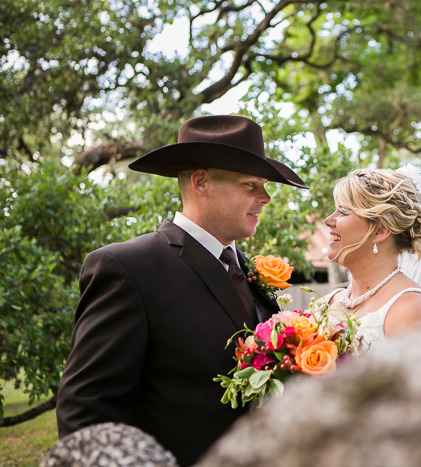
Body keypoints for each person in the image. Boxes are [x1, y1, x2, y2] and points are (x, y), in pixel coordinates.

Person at [56, 115, 308, 466]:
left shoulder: (250, 271)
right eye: (251, 185)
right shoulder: (129, 268)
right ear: (201, 182)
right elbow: (86, 414)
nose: (265, 198)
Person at [324, 166, 421, 345]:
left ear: (380, 230)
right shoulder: (326, 303)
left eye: (343, 212)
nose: (327, 221)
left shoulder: (412, 310)